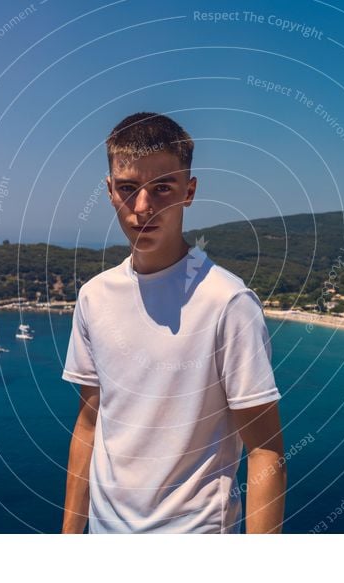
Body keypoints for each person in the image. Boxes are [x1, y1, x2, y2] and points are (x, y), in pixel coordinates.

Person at [61, 112, 285, 534]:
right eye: (128, 188)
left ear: (190, 191)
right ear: (110, 191)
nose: (143, 207)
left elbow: (265, 451)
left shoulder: (228, 302)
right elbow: (89, 425)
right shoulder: (94, 297)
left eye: (162, 188)